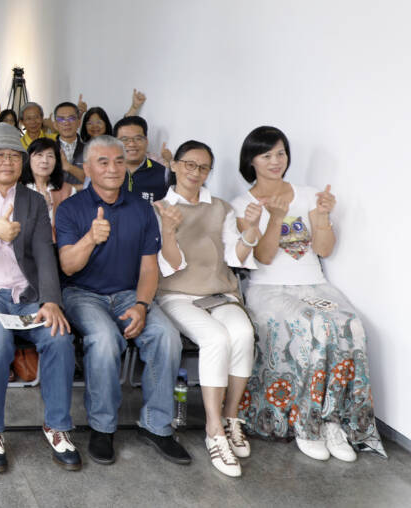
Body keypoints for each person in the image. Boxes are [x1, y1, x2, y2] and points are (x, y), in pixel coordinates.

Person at [230, 126, 384, 459]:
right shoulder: (243, 204)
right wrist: (275, 218)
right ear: (251, 161)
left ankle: (333, 421)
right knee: (316, 325)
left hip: (314, 284)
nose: (276, 161)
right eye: (266, 155)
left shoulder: (309, 194)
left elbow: (324, 250)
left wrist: (323, 216)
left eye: (281, 153)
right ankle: (307, 423)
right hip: (269, 289)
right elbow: (263, 258)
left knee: (351, 325)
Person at [0, 123, 79, 473]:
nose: (7, 162)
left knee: (59, 337)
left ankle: (57, 426)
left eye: (14, 156)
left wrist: (51, 300)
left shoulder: (33, 201)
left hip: (27, 295)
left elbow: (45, 253)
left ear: (22, 162)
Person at [56, 134, 189, 466]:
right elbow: (68, 266)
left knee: (166, 336)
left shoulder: (141, 209)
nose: (112, 168)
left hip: (130, 293)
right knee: (104, 339)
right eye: (102, 162)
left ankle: (157, 426)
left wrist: (142, 306)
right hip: (83, 293)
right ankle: (102, 427)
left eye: (118, 161)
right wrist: (90, 238)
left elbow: (148, 268)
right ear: (87, 168)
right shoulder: (71, 208)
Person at [154, 140, 257, 477]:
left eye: (203, 167)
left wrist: (250, 233)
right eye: (189, 164)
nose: (195, 172)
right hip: (176, 293)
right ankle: (214, 431)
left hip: (218, 290)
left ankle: (230, 417)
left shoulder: (221, 208)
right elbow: (169, 266)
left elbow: (233, 256)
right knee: (216, 338)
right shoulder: (159, 208)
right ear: (174, 165)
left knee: (243, 332)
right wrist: (169, 230)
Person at [22, 138, 75, 242]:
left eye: (50, 156)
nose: (45, 161)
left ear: (56, 161)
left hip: (58, 246)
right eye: (39, 155)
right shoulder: (19, 189)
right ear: (29, 159)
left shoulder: (68, 190)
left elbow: (71, 226)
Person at [114, 116, 168, 203]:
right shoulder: (105, 171)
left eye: (138, 138)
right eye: (124, 139)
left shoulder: (164, 174)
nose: (131, 144)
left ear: (146, 141)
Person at [52, 101, 85, 183]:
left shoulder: (90, 149)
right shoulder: (48, 149)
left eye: (71, 118)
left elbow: (95, 180)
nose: (66, 123)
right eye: (61, 119)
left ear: (79, 123)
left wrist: (68, 167)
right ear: (55, 125)